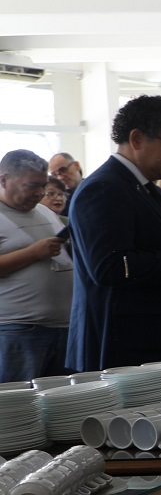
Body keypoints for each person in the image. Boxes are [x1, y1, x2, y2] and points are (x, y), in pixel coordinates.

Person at [65, 94, 161, 370]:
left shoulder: (152, 192)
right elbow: (110, 267)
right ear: (136, 139)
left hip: (153, 339)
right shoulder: (103, 189)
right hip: (119, 347)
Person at [0, 149, 74, 380]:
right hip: (18, 330)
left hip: (64, 328)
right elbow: (38, 252)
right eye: (31, 185)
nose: (39, 193)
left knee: (63, 409)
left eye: (42, 185)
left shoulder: (43, 211)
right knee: (19, 408)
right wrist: (32, 253)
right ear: (3, 180)